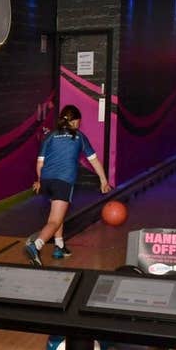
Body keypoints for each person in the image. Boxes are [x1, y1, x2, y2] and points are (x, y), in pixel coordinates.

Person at [25, 104, 112, 266]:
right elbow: (94, 161)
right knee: (55, 220)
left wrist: (39, 180)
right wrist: (103, 180)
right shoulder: (79, 137)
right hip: (62, 182)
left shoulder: (50, 136)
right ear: (75, 121)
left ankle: (59, 247)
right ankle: (36, 244)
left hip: (47, 181)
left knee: (59, 213)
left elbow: (39, 163)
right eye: (79, 121)